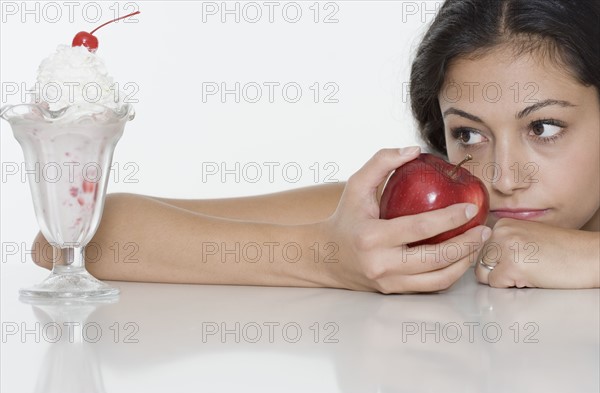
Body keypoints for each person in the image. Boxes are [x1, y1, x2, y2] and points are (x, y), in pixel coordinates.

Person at [32, 0, 599, 292]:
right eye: (468, 134)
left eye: (544, 127)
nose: (503, 177)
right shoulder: (423, 223)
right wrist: (329, 257)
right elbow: (76, 241)